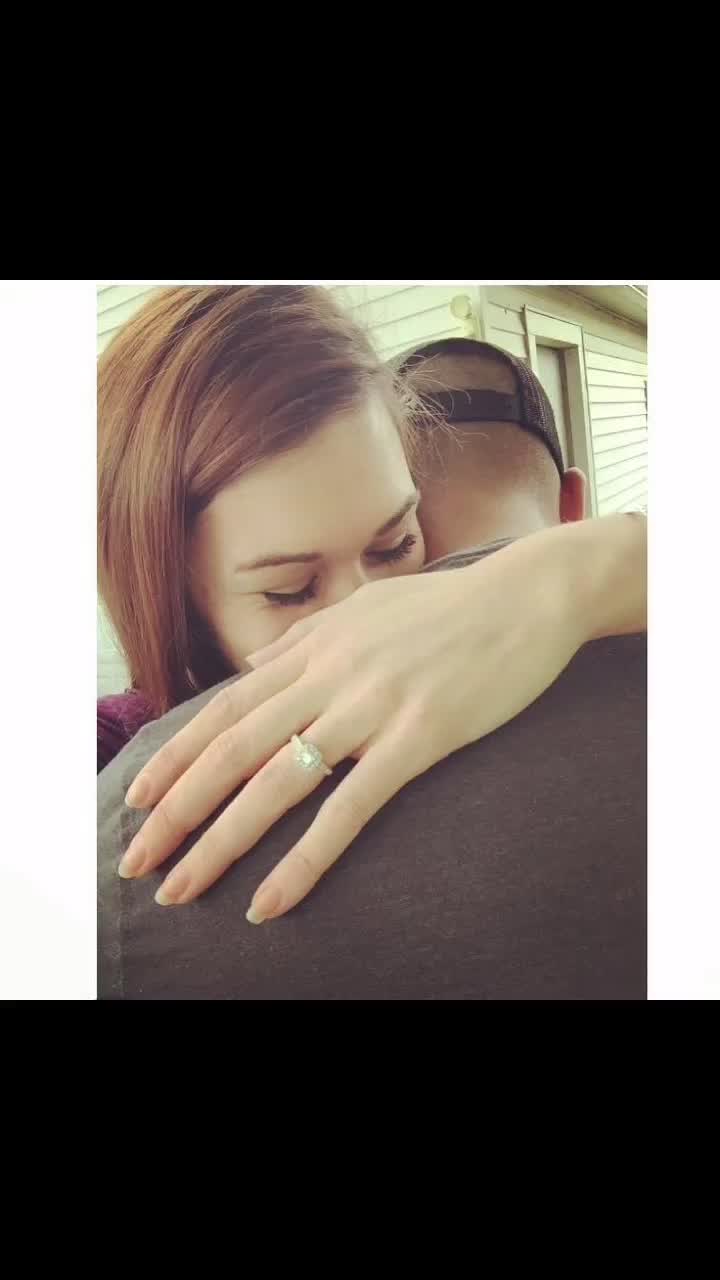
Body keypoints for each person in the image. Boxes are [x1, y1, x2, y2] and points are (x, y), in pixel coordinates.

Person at [98, 337, 646, 1000]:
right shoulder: (105, 761)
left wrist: (589, 569)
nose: (372, 617)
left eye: (395, 546)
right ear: (180, 606)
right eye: (291, 590)